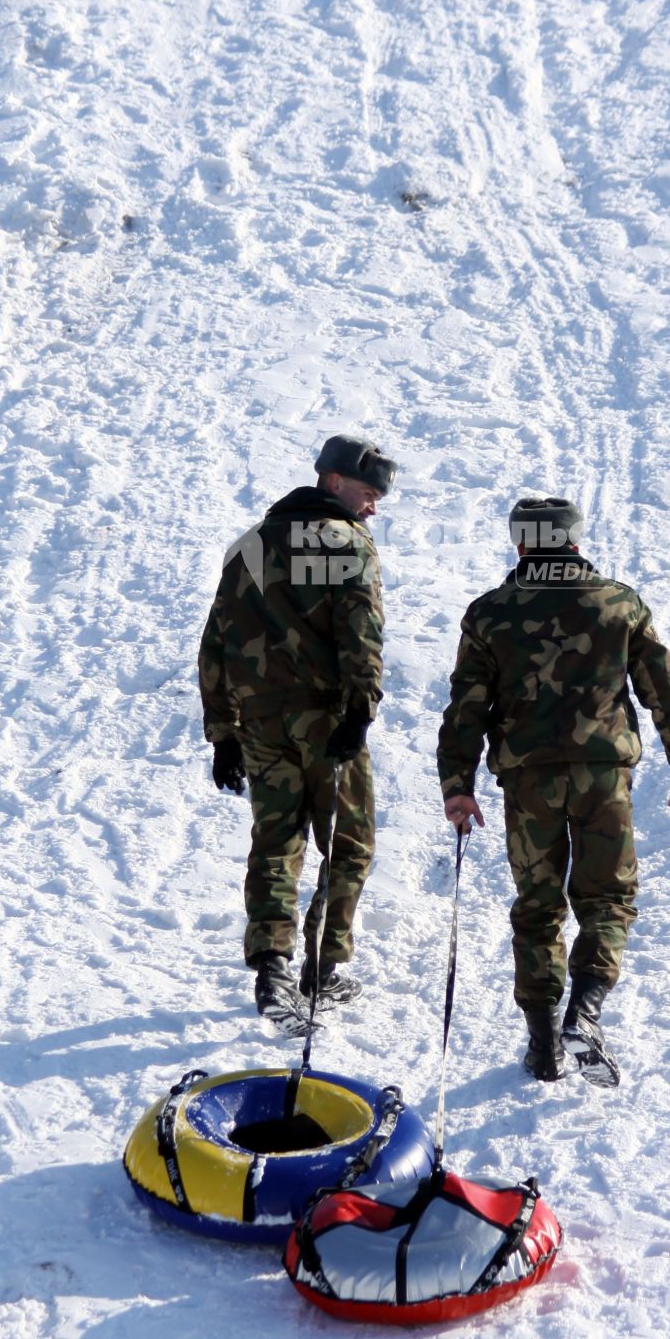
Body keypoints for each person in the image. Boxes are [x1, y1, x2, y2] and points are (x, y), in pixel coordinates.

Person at [436, 496, 670, 1084]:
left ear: (520, 543)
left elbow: (467, 707)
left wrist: (458, 783)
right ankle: (584, 1013)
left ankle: (541, 1044)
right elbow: (667, 691)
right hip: (603, 776)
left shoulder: (491, 614)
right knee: (607, 898)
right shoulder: (618, 604)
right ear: (575, 541)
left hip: (528, 781)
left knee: (537, 908)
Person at [199, 434, 395, 1023]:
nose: (373, 506)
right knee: (348, 842)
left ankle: (271, 969)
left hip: (261, 722)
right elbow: (361, 631)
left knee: (276, 839)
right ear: (332, 482)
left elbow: (216, 640)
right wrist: (361, 711)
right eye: (367, 492)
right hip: (327, 718)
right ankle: (321, 968)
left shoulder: (250, 546)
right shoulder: (346, 543)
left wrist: (224, 731)